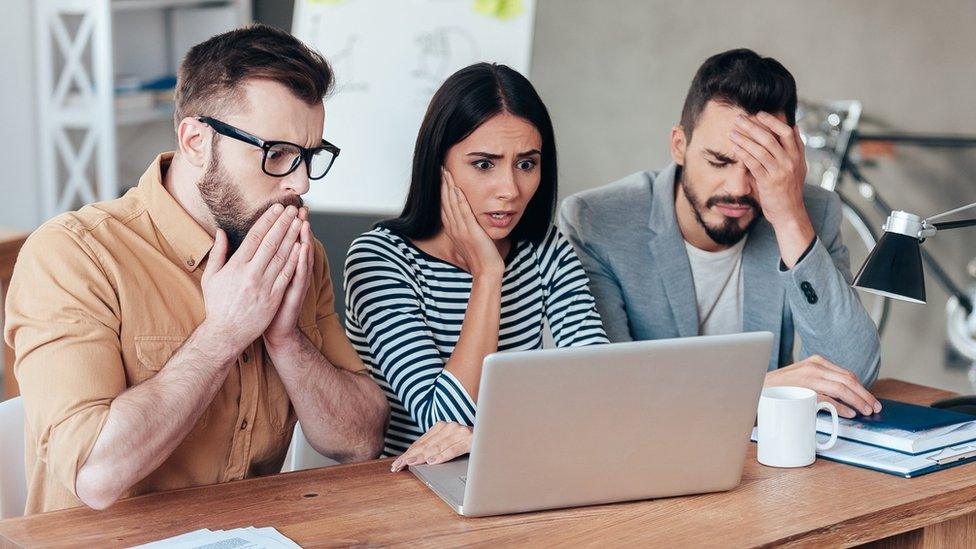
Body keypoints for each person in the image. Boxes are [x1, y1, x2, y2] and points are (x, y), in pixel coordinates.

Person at [4, 24, 388, 514]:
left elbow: (360, 441)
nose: (301, 182)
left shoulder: (294, 250)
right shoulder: (73, 255)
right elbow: (94, 475)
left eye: (310, 156)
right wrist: (224, 333)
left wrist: (286, 340)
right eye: (278, 154)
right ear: (195, 141)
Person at [559, 48, 882, 419]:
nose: (739, 187)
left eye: (759, 165)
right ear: (679, 145)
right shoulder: (598, 222)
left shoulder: (810, 211)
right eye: (719, 161)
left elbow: (853, 376)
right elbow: (605, 390)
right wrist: (759, 389)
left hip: (765, 461)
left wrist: (790, 218)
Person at [343, 63, 609, 470]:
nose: (510, 190)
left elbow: (599, 390)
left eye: (526, 164)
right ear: (439, 166)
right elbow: (442, 422)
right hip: (412, 489)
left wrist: (493, 439)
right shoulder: (379, 260)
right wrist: (488, 275)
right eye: (484, 164)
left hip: (513, 472)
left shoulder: (545, 250)